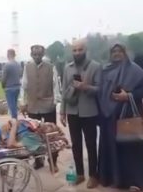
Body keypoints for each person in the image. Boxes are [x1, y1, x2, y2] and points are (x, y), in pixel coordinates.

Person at [98, 43, 143, 192]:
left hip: (129, 114)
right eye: (114, 51)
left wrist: (128, 96)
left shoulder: (134, 69)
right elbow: (101, 92)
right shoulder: (105, 70)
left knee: (132, 148)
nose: (116, 54)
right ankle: (117, 180)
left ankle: (136, 181)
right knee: (115, 149)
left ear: (125, 53)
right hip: (110, 117)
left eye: (119, 51)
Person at [60, 40, 101, 188]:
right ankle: (80, 174)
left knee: (91, 144)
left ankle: (94, 175)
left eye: (80, 50)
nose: (77, 53)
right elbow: (64, 91)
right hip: (72, 111)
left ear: (85, 50)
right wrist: (62, 111)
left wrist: (85, 87)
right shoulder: (67, 68)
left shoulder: (95, 66)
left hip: (89, 111)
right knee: (76, 144)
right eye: (75, 50)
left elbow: (99, 89)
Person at [20, 44, 61, 172]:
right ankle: (38, 160)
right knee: (33, 135)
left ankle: (53, 161)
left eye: (39, 54)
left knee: (51, 134)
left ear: (43, 55)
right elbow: (24, 86)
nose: (37, 56)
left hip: (48, 105)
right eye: (34, 54)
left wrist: (56, 101)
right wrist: (23, 102)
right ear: (31, 54)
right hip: (33, 105)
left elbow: (56, 86)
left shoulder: (51, 67)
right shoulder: (27, 67)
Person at [2, 49, 22, 119]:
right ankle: (15, 119)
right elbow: (20, 75)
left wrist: (3, 85)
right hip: (17, 87)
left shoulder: (7, 65)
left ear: (8, 55)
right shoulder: (18, 65)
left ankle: (14, 121)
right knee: (15, 104)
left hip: (9, 87)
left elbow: (4, 78)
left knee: (11, 106)